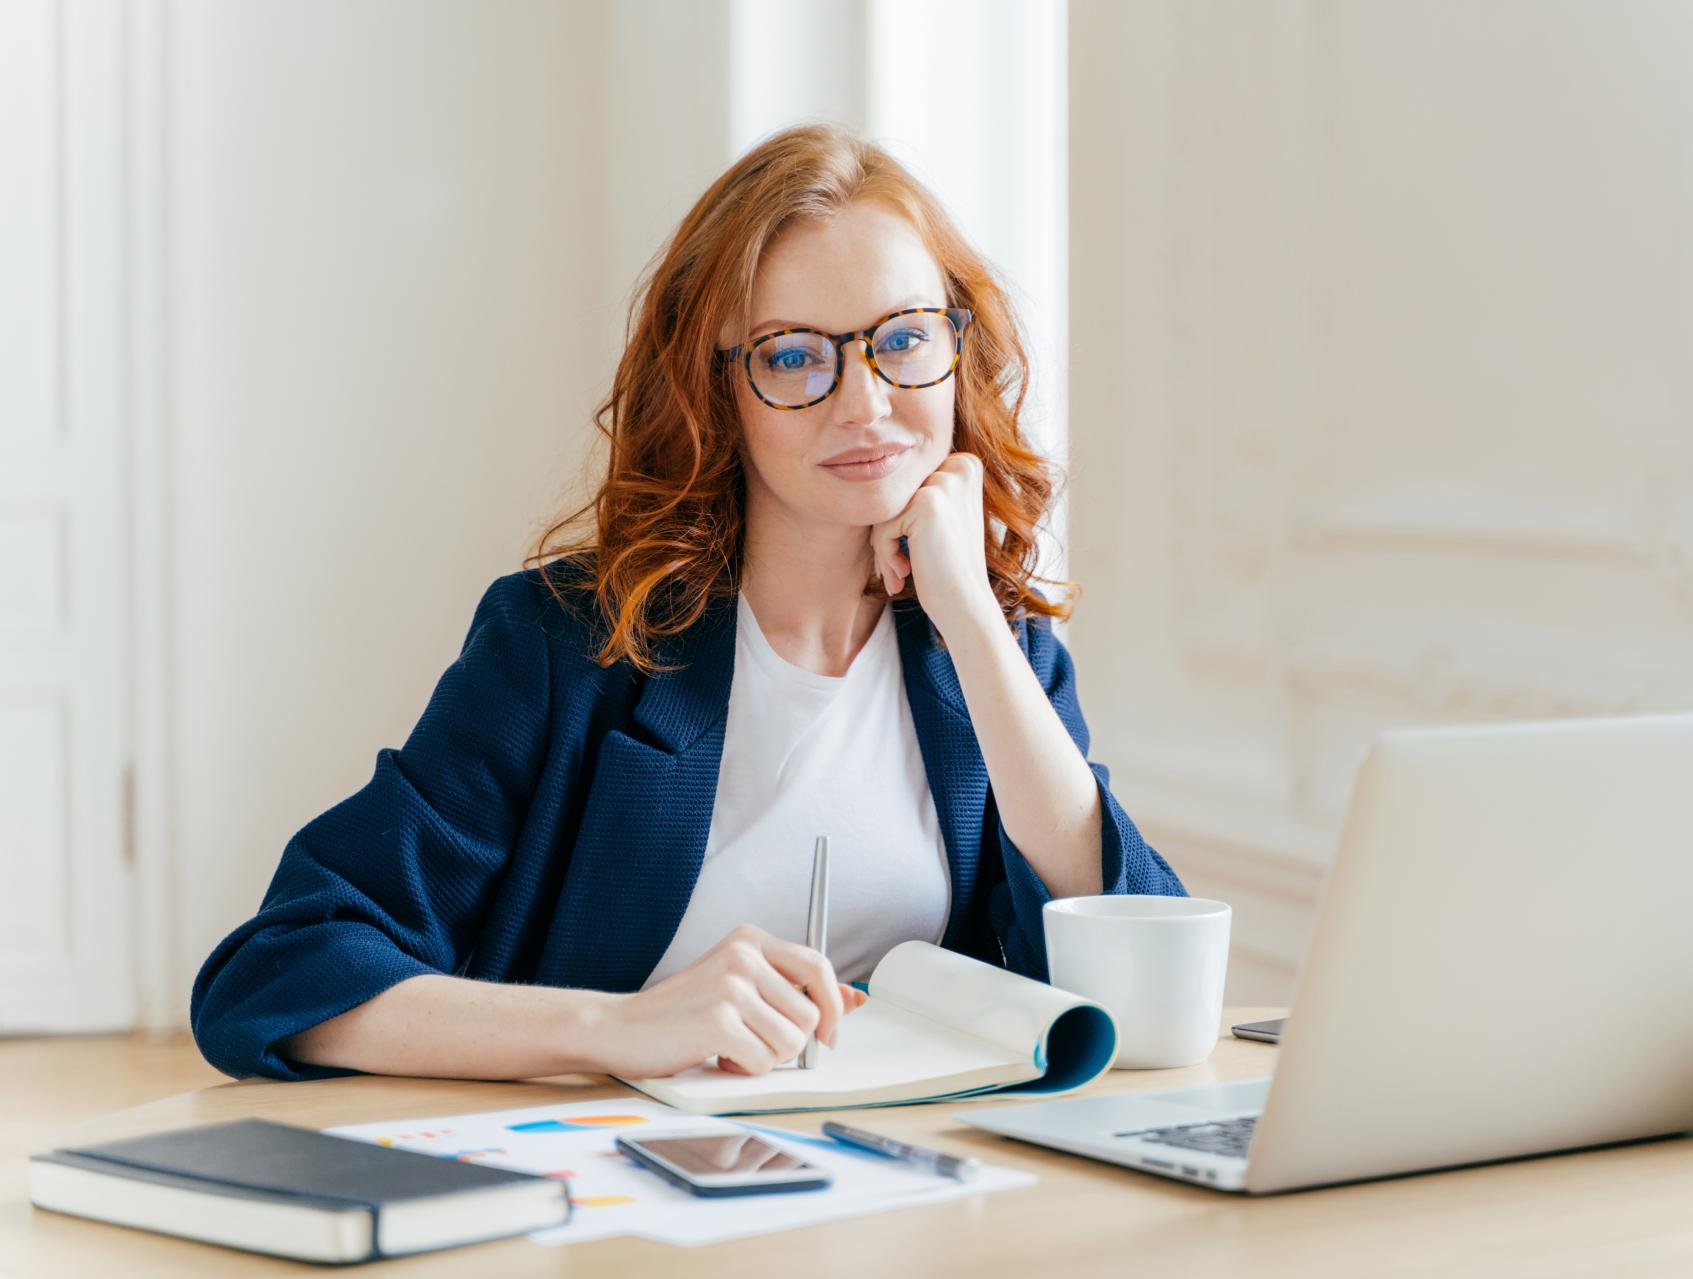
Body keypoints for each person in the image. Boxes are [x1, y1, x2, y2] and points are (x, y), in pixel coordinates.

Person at [190, 123, 1185, 1084]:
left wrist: (968, 615)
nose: (865, 402)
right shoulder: (563, 645)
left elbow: (1133, 956)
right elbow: (276, 975)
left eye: (901, 338)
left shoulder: (993, 650)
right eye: (793, 355)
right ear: (714, 391)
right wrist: (616, 1027)